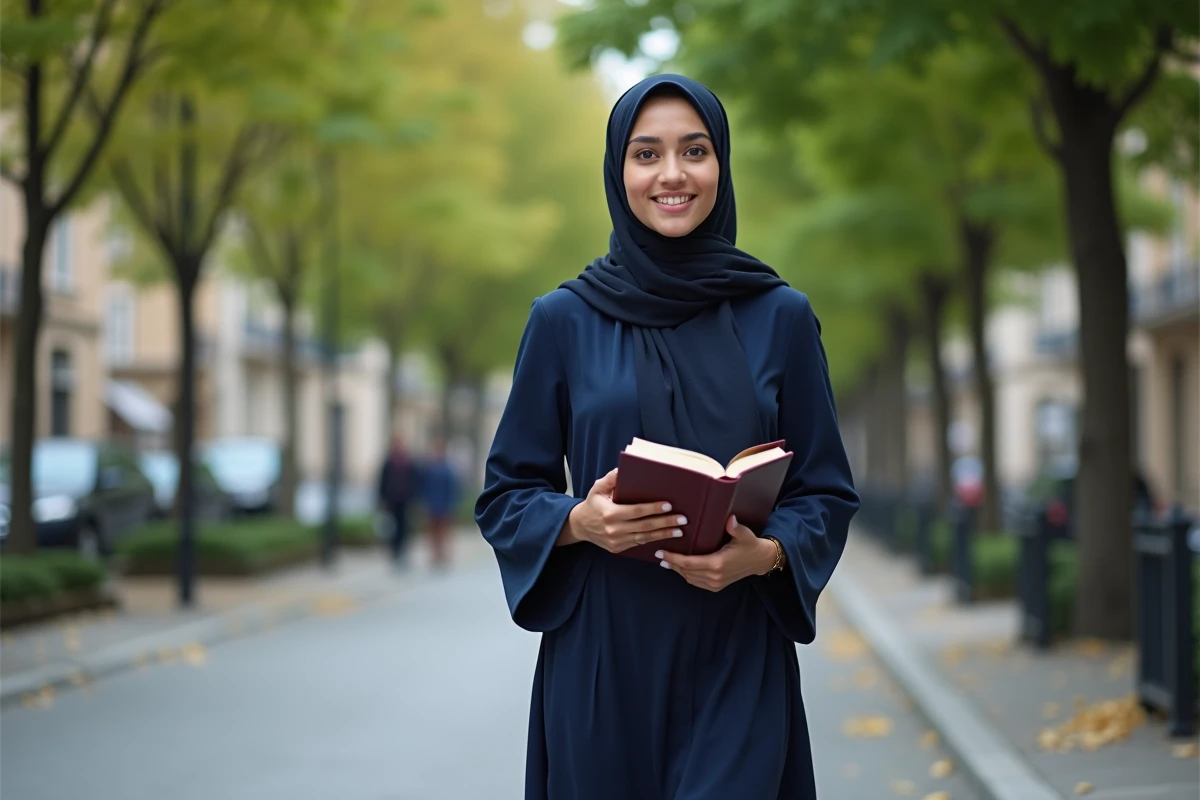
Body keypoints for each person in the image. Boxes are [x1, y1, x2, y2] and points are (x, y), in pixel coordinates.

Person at [475, 74, 860, 800]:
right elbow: (506, 495)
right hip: (602, 660)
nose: (673, 174)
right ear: (618, 172)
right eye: (647, 154)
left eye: (695, 150)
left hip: (738, 650)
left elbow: (826, 492)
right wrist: (579, 521)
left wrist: (767, 554)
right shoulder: (562, 320)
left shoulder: (779, 316)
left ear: (721, 165)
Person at [420, 435, 460, 569]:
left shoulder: (448, 469)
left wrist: (452, 506)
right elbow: (424, 488)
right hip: (432, 505)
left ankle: (443, 554)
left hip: (445, 506)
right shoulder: (429, 468)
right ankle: (434, 554)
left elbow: (453, 489)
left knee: (444, 532)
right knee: (432, 533)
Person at [377, 435, 417, 568]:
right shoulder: (389, 462)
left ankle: (403, 551)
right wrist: (382, 499)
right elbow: (382, 482)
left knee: (404, 527)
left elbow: (414, 480)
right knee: (392, 528)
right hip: (392, 500)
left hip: (404, 500)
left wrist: (413, 497)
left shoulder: (407, 461)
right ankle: (394, 552)